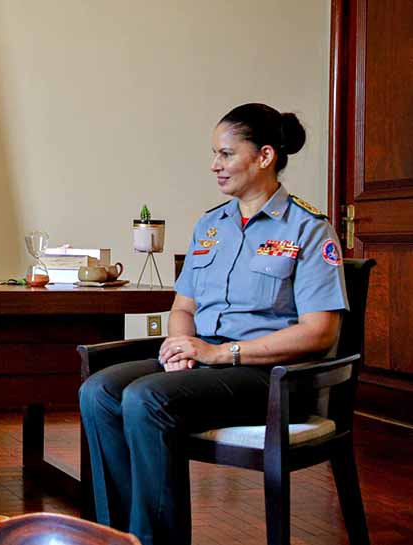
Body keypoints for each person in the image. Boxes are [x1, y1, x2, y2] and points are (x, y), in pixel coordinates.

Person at [79, 103, 348, 545]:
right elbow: (183, 305)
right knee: (100, 392)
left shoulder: (308, 229)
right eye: (214, 154)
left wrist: (220, 353)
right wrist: (181, 344)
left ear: (264, 156)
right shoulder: (211, 225)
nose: (214, 165)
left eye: (225, 154)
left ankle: (155, 541)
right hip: (207, 365)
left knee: (147, 399)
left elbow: (321, 333)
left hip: (270, 376)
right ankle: (118, 536)